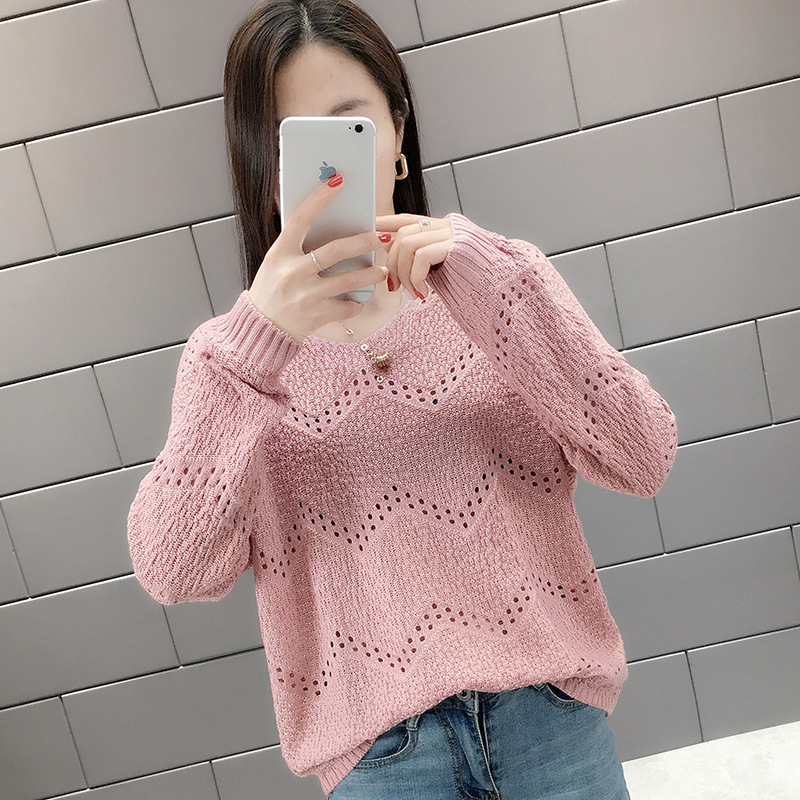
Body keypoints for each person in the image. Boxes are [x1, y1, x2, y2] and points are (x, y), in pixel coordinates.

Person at [126, 1, 678, 798]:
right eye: (294, 143)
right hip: (383, 765)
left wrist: (492, 284)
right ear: (264, 167)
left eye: (349, 127)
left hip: (550, 723)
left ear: (396, 130)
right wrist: (256, 347)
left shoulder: (501, 284)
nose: (330, 170)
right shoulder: (229, 362)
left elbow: (644, 455)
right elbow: (173, 568)